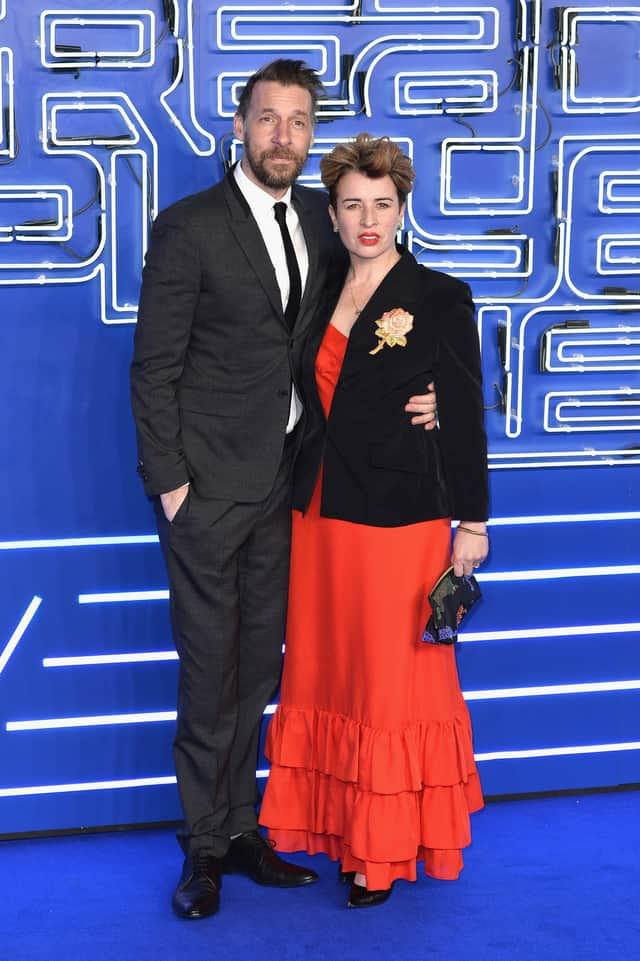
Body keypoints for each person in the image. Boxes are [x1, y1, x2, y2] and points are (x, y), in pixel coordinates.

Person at [130, 62, 438, 920]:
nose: (283, 138)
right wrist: (172, 486)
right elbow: (152, 370)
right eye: (268, 120)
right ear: (240, 127)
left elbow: (390, 304)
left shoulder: (322, 214)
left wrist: (437, 382)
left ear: (312, 136)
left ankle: (239, 830)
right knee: (208, 673)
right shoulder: (187, 228)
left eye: (299, 123)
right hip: (207, 493)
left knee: (261, 668)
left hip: (290, 490)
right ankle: (202, 848)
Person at [259, 133, 489, 908]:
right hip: (320, 516)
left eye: (382, 205)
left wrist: (474, 521)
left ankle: (380, 854)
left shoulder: (438, 295)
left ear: (402, 207)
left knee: (391, 687)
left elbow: (463, 415)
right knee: (329, 675)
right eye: (352, 204)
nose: (367, 220)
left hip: (400, 521)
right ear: (333, 210)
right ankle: (337, 829)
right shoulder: (319, 289)